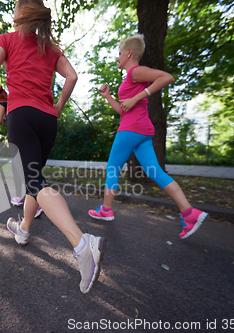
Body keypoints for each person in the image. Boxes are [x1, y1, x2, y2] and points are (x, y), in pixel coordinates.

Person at [0, 0, 106, 294]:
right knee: (32, 181)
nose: (13, 12)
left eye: (16, 7)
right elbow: (72, 76)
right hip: (47, 120)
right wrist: (59, 106)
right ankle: (23, 230)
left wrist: (2, 93)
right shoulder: (50, 47)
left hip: (22, 116)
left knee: (36, 182)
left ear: (22, 12)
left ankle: (82, 244)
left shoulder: (7, 39)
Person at [88, 34, 208, 240]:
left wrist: (137, 96)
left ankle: (106, 210)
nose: (117, 58)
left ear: (129, 53)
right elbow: (123, 111)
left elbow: (167, 77)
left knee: (112, 168)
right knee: (155, 173)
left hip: (130, 130)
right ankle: (189, 213)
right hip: (140, 130)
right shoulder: (130, 77)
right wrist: (108, 97)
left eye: (119, 53)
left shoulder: (136, 71)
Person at [0, 101, 43, 218]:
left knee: (18, 166)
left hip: (18, 132)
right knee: (33, 166)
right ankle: (30, 198)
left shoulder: (5, 99)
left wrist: (8, 119)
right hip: (36, 130)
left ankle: (34, 202)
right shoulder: (32, 95)